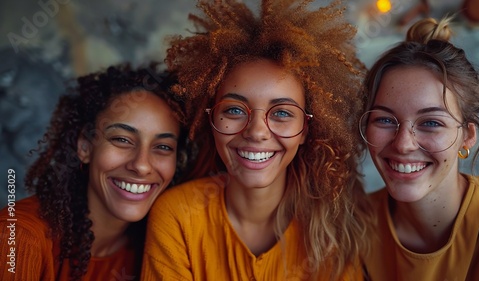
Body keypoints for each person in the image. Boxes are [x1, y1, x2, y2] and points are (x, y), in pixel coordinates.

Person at [142, 0, 373, 280]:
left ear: (306, 130)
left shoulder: (333, 231)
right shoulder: (177, 216)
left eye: (282, 113)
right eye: (235, 110)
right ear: (210, 120)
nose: (256, 132)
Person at [0, 63, 188, 280]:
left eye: (163, 147)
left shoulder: (159, 248)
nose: (142, 165)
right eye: (121, 140)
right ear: (85, 147)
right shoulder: (16, 237)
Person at [359, 17, 479, 281]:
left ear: (467, 136)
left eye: (431, 123)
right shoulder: (350, 225)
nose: (403, 144)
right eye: (385, 120)